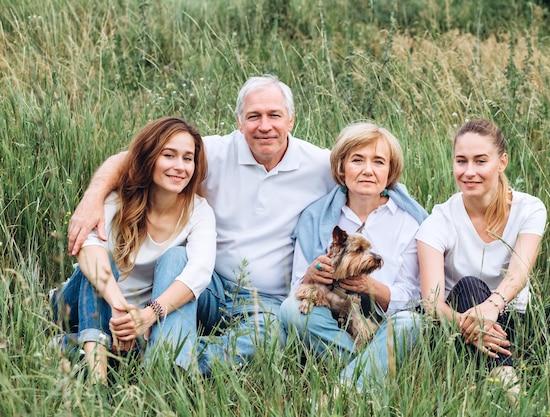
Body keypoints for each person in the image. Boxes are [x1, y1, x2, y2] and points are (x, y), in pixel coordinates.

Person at [66, 75, 336, 376]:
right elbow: (134, 158)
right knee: (177, 259)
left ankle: (158, 360)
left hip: (266, 302)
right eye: (253, 116)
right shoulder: (211, 152)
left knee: (268, 339)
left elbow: (373, 180)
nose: (264, 126)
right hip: (210, 285)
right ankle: (165, 365)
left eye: (274, 115)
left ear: (291, 120)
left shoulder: (320, 165)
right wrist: (92, 198)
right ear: (238, 121)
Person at [416, 119, 550, 401]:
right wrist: (469, 324)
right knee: (471, 285)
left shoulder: (529, 208)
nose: (469, 171)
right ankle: (514, 395)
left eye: (480, 161)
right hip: (461, 325)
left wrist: (493, 307)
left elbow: (518, 273)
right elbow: (431, 302)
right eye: (461, 161)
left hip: (516, 321)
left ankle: (504, 358)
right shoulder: (438, 221)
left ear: (502, 162)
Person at [54, 116, 216, 382]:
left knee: (142, 342)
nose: (179, 166)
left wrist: (147, 316)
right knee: (103, 264)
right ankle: (97, 381)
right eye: (169, 155)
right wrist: (120, 308)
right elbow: (89, 249)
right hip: (81, 300)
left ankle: (68, 346)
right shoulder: (118, 198)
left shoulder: (198, 211)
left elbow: (200, 271)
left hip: (138, 316)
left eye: (188, 158)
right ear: (150, 157)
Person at [279, 122, 428, 391]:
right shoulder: (317, 218)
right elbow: (296, 289)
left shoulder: (409, 221)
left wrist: (373, 288)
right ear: (341, 167)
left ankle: (343, 386)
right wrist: (312, 275)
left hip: (387, 320)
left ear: (390, 171)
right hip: (336, 317)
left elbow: (419, 296)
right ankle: (371, 373)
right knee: (291, 311)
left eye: (379, 162)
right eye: (357, 160)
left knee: (411, 324)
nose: (368, 170)